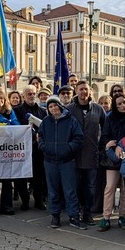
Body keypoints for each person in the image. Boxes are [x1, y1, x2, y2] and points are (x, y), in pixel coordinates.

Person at [38, 95, 84, 229]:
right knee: (52, 190)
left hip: (67, 161)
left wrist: (69, 148)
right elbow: (40, 136)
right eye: (50, 107)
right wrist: (43, 147)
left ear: (60, 105)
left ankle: (74, 216)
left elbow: (79, 138)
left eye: (55, 105)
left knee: (70, 190)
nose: (53, 108)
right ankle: (55, 216)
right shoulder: (46, 121)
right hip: (50, 161)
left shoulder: (71, 120)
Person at [67, 81, 106, 225]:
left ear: (90, 91)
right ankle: (75, 212)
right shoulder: (69, 109)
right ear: (76, 91)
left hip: (92, 154)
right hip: (74, 155)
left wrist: (102, 146)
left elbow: (106, 129)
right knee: (76, 186)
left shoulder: (98, 109)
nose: (84, 92)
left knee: (90, 187)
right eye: (81, 89)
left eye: (86, 89)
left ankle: (87, 212)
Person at [98, 94, 125, 232]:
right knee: (110, 187)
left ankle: (122, 216)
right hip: (112, 157)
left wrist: (121, 144)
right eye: (119, 104)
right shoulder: (110, 118)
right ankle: (106, 216)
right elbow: (104, 137)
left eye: (124, 102)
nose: (122, 106)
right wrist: (108, 144)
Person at [13, 85, 47, 210]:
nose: (32, 96)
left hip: (38, 149)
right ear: (23, 96)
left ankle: (39, 200)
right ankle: (25, 201)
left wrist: (40, 136)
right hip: (22, 148)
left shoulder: (43, 111)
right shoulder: (16, 111)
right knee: (22, 176)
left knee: (39, 176)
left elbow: (46, 127)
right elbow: (16, 127)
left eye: (33, 94)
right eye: (29, 94)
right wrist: (32, 134)